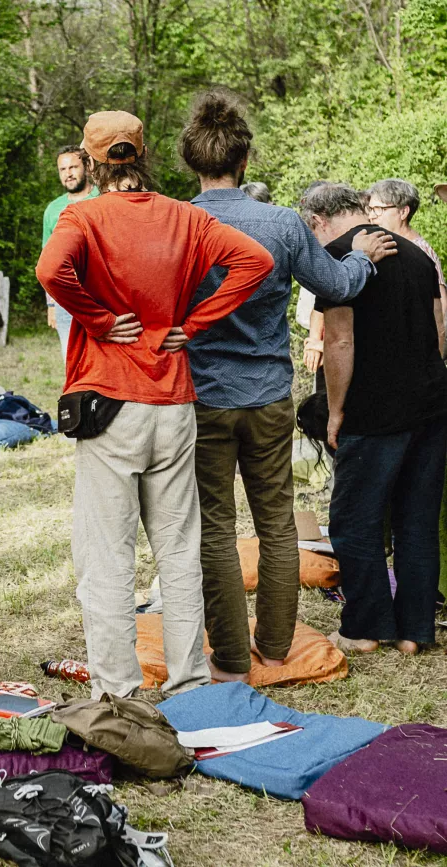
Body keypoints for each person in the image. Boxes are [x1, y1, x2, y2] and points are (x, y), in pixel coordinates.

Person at [36, 110, 274, 700]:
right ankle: (192, 680)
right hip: (174, 399)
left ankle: (117, 690)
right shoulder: (186, 216)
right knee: (178, 549)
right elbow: (256, 263)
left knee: (107, 557)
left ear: (90, 162)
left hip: (110, 403)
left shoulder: (82, 214)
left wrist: (94, 318)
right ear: (144, 154)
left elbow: (49, 269)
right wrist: (194, 324)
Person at [177, 91, 397, 682]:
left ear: (192, 161)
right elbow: (337, 284)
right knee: (276, 523)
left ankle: (227, 657)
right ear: (244, 160)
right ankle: (274, 647)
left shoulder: (177, 222)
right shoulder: (280, 223)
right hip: (268, 393)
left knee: (215, 527)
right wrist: (364, 254)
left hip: (200, 395)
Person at [300, 182, 447, 656]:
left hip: (374, 409)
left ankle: (364, 628)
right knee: (416, 520)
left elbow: (340, 342)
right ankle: (414, 630)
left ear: (318, 221)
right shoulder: (418, 254)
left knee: (354, 520)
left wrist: (336, 410)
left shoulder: (337, 260)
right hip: (430, 404)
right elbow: (440, 331)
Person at [367, 179, 447, 346]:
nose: (371, 215)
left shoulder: (421, 252)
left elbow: (441, 309)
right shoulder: (382, 246)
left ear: (403, 212)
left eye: (379, 209)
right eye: (371, 208)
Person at [43, 146, 100, 359]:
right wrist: (51, 305)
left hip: (100, 295)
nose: (68, 173)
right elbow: (48, 261)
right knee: (71, 361)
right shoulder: (53, 210)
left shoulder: (102, 198)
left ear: (87, 166)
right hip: (65, 298)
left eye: (73, 167)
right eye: (62, 169)